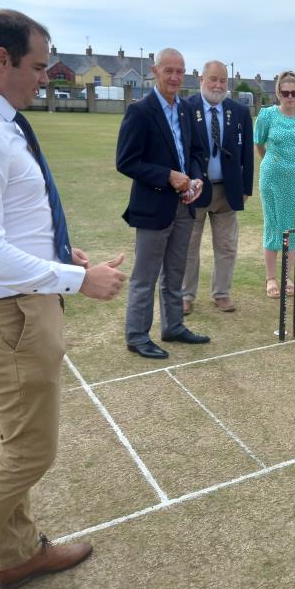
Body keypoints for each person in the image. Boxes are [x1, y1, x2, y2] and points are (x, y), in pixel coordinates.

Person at [0, 9, 126, 589]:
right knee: (26, 453)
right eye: (37, 66)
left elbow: (4, 225)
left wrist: (59, 253)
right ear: (1, 59)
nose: (43, 78)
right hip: (7, 315)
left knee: (3, 441)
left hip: (19, 305)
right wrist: (76, 278)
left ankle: (16, 555)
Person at [116, 48, 210, 360]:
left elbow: (196, 152)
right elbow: (126, 161)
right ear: (155, 72)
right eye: (168, 70)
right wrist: (167, 175)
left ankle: (173, 326)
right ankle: (137, 336)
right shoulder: (140, 111)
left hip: (185, 206)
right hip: (153, 207)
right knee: (145, 276)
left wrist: (195, 178)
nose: (174, 77)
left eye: (179, 71)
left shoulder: (186, 110)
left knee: (175, 272)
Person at [182, 60, 254, 314]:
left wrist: (246, 188)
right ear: (201, 80)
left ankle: (221, 293)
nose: (218, 85)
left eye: (223, 80)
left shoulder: (240, 111)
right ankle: (186, 296)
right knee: (189, 246)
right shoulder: (186, 108)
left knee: (226, 246)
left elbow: (247, 153)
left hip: (228, 189)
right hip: (195, 189)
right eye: (213, 79)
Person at [254, 70, 295, 297]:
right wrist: (273, 161)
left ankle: (288, 276)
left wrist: (294, 163)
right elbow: (259, 143)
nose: (290, 96)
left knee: (293, 226)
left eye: (294, 92)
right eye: (285, 92)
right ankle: (271, 278)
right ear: (278, 93)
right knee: (272, 224)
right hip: (271, 176)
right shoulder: (267, 115)